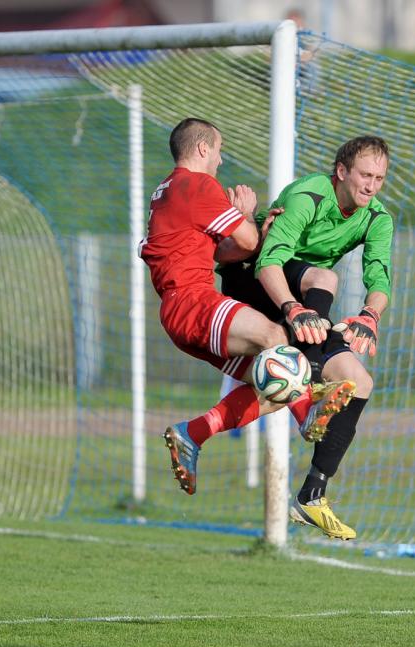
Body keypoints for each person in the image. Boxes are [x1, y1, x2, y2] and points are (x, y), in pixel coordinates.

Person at [139, 118, 355, 536]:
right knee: (277, 339)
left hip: (178, 312)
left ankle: (193, 433)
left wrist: (244, 233)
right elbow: (247, 242)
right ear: (202, 149)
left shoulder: (164, 191)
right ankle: (309, 413)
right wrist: (249, 217)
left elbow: (219, 250)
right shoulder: (198, 185)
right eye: (218, 149)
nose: (221, 158)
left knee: (273, 383)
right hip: (194, 302)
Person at [218, 135, 393, 541]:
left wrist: (371, 314)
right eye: (365, 175)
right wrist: (294, 310)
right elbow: (268, 260)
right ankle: (313, 384)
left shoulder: (377, 217)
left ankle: (312, 495)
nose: (371, 185)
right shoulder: (308, 195)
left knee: (360, 382)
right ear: (342, 172)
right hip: (256, 281)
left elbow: (380, 277)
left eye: (379, 178)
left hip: (306, 297)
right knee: (324, 276)